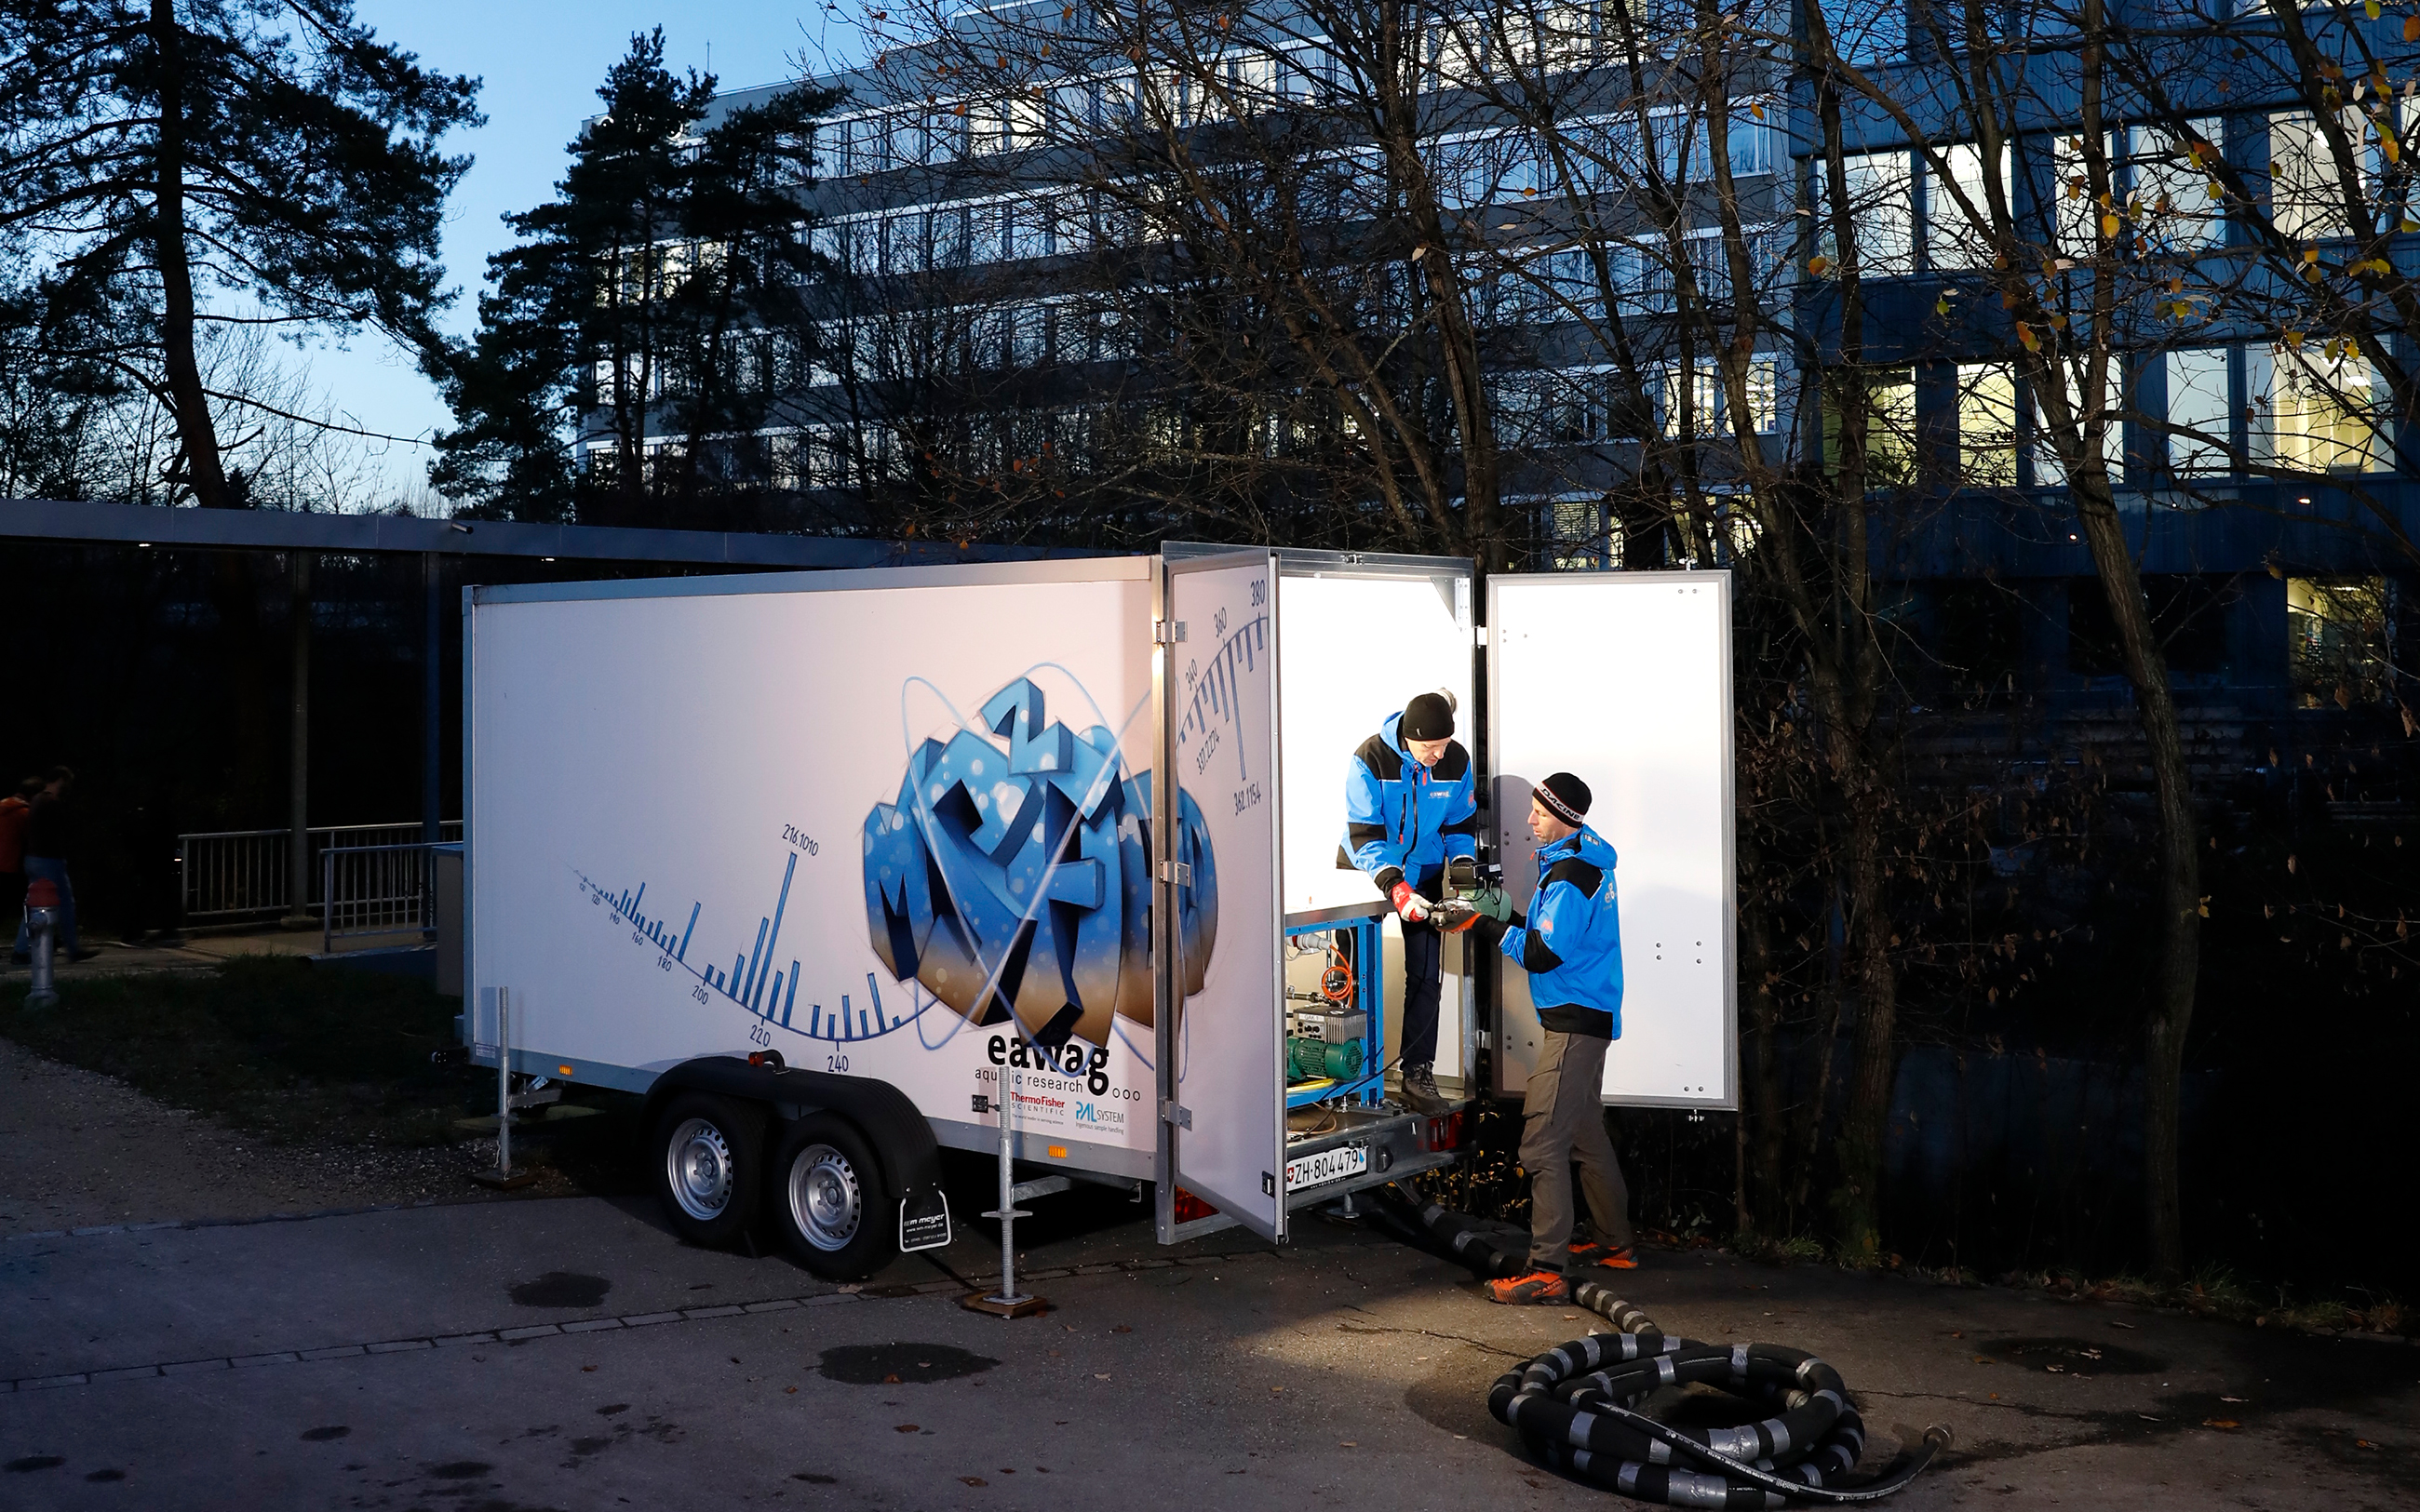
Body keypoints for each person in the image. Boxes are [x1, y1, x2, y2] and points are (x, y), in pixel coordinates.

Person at [1472, 771, 1636, 1304]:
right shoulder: (1580, 862)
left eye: (1538, 812)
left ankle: (1546, 1268)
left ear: (1563, 817)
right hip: (1586, 1017)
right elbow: (1547, 930)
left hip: (1573, 1026)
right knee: (1586, 1134)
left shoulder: (1569, 876)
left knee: (1542, 1143)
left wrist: (1489, 928)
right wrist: (1503, 913)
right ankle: (1617, 1245)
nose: (1529, 819)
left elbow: (1544, 953)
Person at [1341, 689, 1476, 1117]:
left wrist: (1463, 867)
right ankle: (1347, 1071)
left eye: (1443, 746)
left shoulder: (1456, 761)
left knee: (1425, 976)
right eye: (1429, 748)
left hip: (1427, 870)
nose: (1438, 755)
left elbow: (1460, 824)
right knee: (1354, 975)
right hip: (1370, 871)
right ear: (1408, 737)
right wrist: (1395, 887)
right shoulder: (1371, 758)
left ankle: (1418, 1072)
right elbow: (1364, 834)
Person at [14, 767, 96, 964]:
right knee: (65, 904)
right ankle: (72, 948)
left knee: (34, 904)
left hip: (33, 858)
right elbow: (63, 830)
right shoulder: (52, 802)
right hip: (49, 860)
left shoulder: (36, 800)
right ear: (61, 780)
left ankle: (21, 949)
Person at [0, 777, 35, 945]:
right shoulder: (23, 813)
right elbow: (28, 839)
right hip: (10, 865)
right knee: (29, 902)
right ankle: (40, 938)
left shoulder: (3, 806)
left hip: (4, 863)